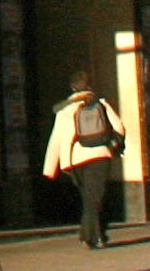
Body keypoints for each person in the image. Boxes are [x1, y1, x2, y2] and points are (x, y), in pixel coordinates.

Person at [41, 71, 124, 247]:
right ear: (90, 86)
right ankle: (93, 236)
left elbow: (56, 140)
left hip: (74, 160)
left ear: (72, 88)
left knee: (89, 197)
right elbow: (119, 127)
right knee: (94, 197)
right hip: (99, 155)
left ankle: (90, 234)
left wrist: (49, 169)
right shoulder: (100, 104)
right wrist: (111, 146)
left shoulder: (64, 110)